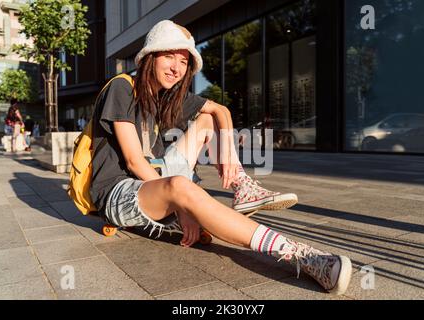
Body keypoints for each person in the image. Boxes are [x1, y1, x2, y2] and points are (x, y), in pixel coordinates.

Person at [90, 20, 352, 295]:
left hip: (156, 177)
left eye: (183, 61)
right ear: (149, 58)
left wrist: (229, 162)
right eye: (168, 56)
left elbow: (221, 111)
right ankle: (299, 255)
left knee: (206, 119)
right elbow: (133, 161)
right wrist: (181, 205)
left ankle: (243, 188)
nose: (176, 68)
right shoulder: (122, 88)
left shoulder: (165, 97)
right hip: (118, 192)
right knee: (180, 186)